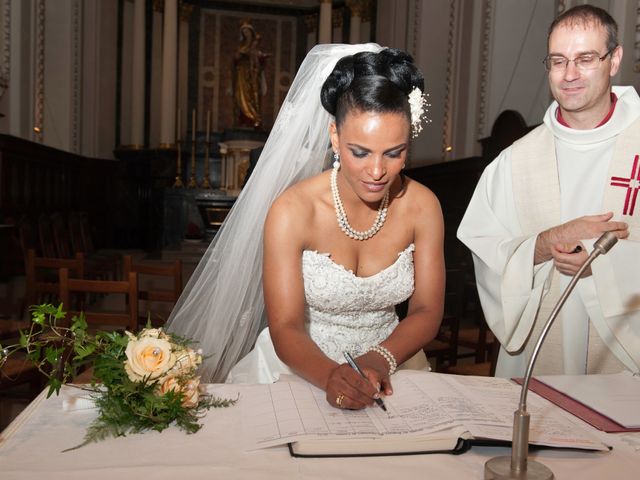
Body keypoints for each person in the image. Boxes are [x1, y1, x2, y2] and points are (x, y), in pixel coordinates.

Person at [167, 44, 445, 410]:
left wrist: (380, 359)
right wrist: (332, 375)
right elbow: (286, 326)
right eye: (360, 151)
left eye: (394, 152)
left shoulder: (423, 205)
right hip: (300, 367)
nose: (377, 171)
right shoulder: (291, 211)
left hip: (395, 360)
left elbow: (426, 310)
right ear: (334, 136)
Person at [458, 5, 640, 378]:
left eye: (585, 59)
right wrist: (545, 244)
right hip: (541, 353)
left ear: (615, 58)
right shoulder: (515, 161)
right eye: (558, 61)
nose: (569, 74)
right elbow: (485, 248)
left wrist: (604, 265)